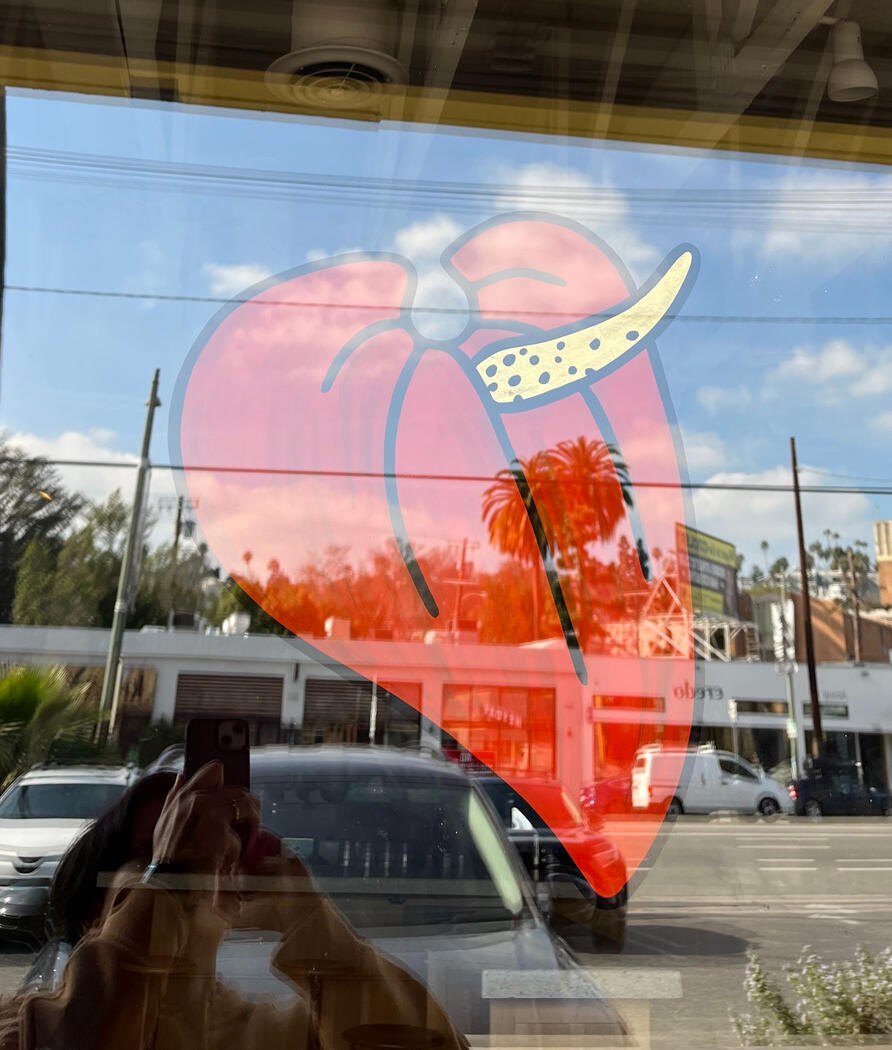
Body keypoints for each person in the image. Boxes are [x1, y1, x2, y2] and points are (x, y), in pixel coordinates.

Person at [0, 762, 467, 1050]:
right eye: (151, 855)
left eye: (213, 857)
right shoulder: (23, 1024)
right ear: (93, 917)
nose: (197, 871)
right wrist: (172, 875)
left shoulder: (277, 1033)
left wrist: (310, 919)